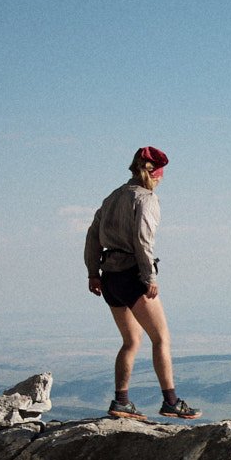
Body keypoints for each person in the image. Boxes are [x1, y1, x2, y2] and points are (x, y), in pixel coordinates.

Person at [84, 146, 200, 420]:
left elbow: (92, 236)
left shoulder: (112, 198)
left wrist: (93, 273)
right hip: (132, 275)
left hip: (110, 277)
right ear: (156, 174)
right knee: (161, 338)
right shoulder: (146, 199)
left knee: (130, 341)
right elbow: (143, 239)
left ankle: (121, 401)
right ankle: (171, 401)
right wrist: (149, 277)